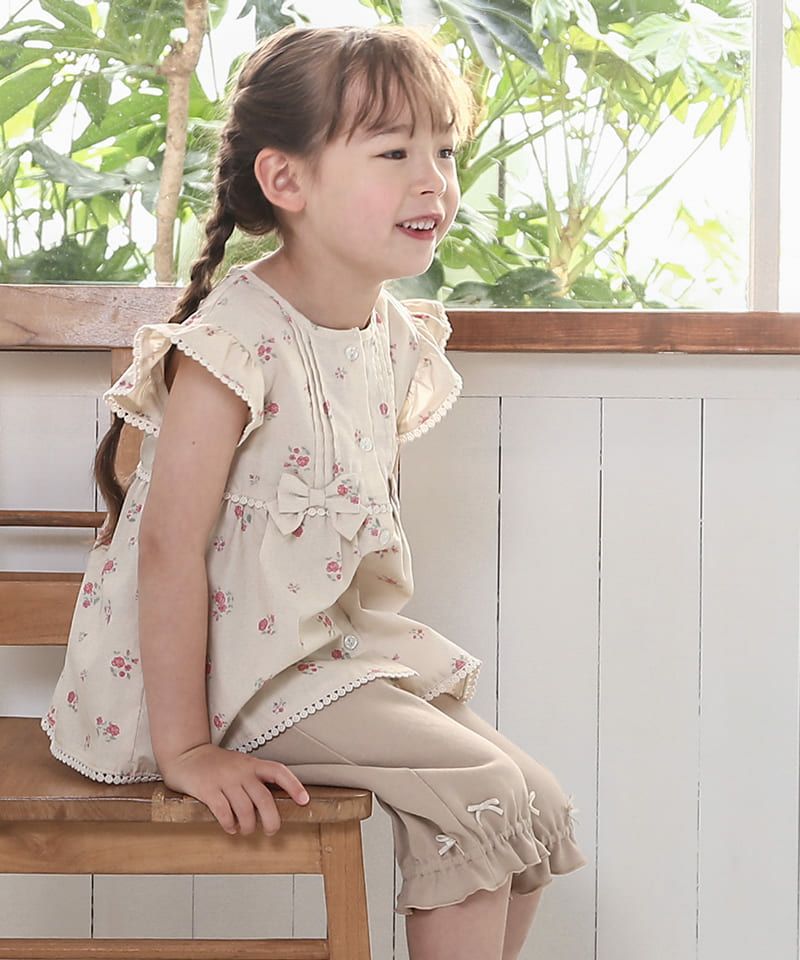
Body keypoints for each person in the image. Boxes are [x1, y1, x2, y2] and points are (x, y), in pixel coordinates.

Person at [40, 23, 587, 959]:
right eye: (394, 152)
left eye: (444, 151)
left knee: (532, 801)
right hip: (224, 679)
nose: (433, 180)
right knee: (482, 794)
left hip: (314, 655)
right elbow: (169, 549)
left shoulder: (388, 334)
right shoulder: (237, 340)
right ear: (286, 181)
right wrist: (186, 750)